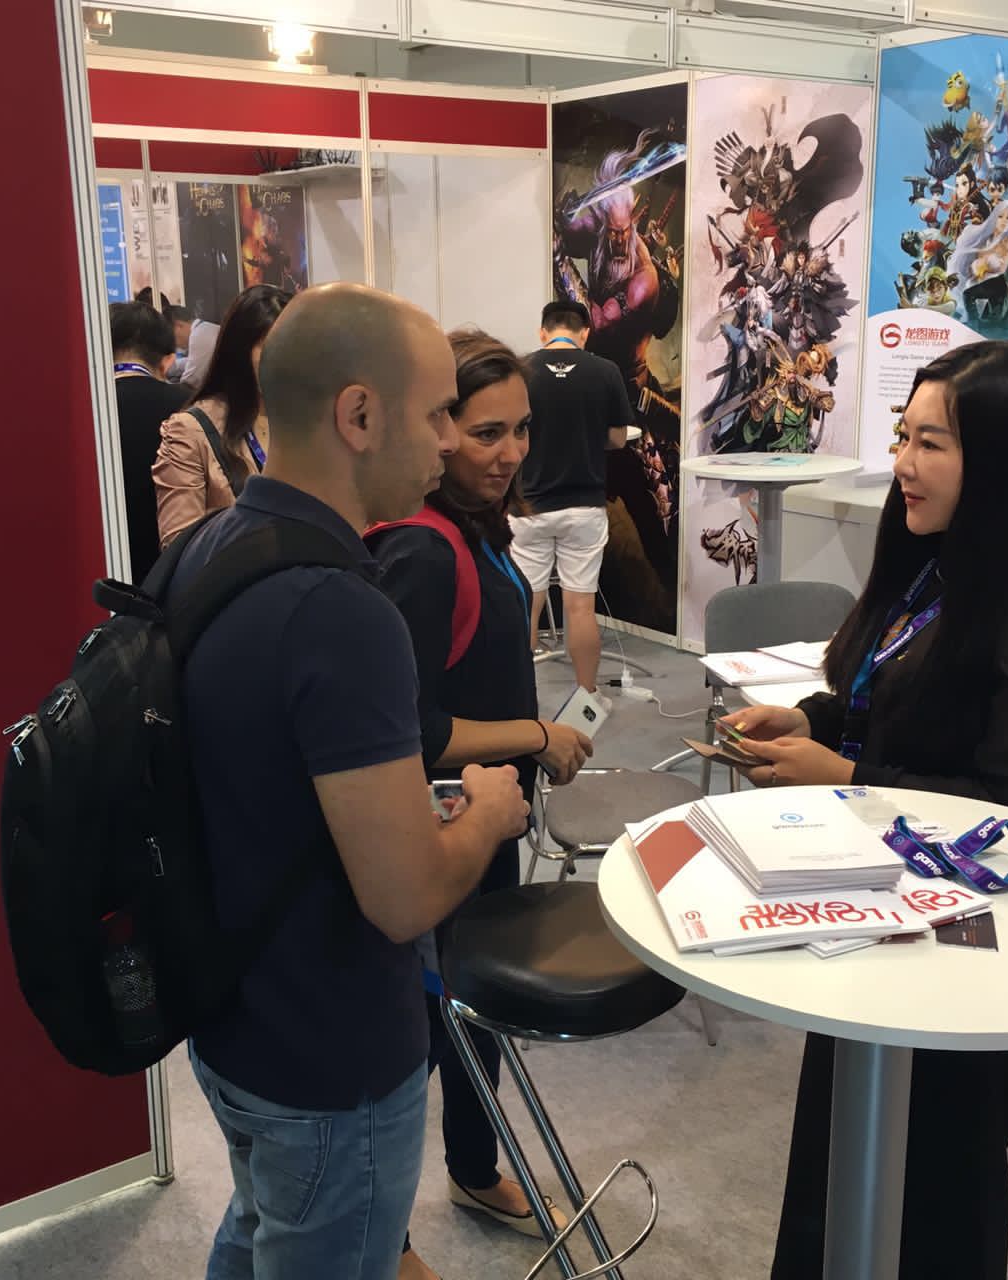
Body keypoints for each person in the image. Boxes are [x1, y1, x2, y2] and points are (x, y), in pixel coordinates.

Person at [720, 340, 1008, 1280]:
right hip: (879, 912)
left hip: (966, 954)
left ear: (1003, 456)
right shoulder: (948, 563)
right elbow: (902, 710)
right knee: (842, 1168)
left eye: (930, 443)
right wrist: (814, 721)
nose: (902, 462)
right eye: (902, 436)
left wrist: (845, 775)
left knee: (934, 1189)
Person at [175, 282, 531, 1279]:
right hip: (328, 1055)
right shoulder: (343, 611)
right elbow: (405, 895)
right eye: (437, 413)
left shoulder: (207, 549)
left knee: (258, 1228)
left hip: (234, 1018)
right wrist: (487, 812)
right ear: (359, 415)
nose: (447, 442)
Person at [369, 328, 593, 1280]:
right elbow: (410, 729)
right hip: (444, 827)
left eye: (521, 430)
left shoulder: (478, 528)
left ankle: (471, 1169)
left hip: (489, 816)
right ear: (438, 429)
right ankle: (379, 1237)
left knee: (471, 1009)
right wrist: (535, 738)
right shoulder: (423, 549)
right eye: (485, 431)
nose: (509, 453)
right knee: (419, 1034)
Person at [508, 300, 634, 696]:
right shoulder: (606, 371)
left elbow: (509, 434)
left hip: (528, 506)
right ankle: (586, 696)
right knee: (580, 607)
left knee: (527, 603)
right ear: (584, 333)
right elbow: (617, 438)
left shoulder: (520, 370)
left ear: (543, 332)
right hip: (584, 507)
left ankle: (518, 698)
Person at [153, 284, 290, 546]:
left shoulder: (307, 421)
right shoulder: (191, 431)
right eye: (270, 349)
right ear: (239, 350)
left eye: (294, 350)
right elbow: (178, 546)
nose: (284, 363)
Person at [109, 301, 190, 583]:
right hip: (171, 572)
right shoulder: (189, 406)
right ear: (167, 360)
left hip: (103, 571)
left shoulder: (83, 411)